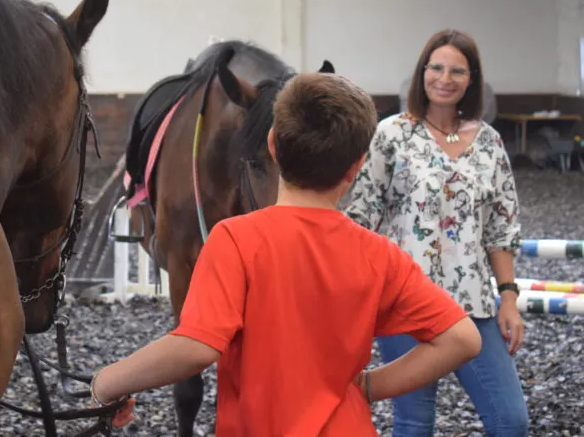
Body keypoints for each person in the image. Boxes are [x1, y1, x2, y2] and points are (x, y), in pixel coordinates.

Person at [91, 72, 482, 435]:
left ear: (273, 144)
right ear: (357, 166)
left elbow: (195, 347)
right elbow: (462, 339)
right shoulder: (380, 254)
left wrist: (108, 382)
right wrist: (366, 387)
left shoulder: (235, 240)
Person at [343, 29, 529, 436]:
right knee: (414, 424)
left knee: (511, 422)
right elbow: (360, 218)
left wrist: (509, 298)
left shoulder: (491, 144)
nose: (445, 78)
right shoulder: (391, 134)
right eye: (437, 67)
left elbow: (500, 229)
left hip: (474, 308)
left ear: (472, 80)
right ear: (422, 72)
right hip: (405, 302)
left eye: (457, 71)